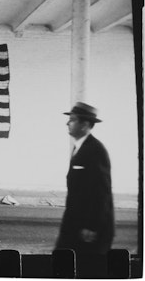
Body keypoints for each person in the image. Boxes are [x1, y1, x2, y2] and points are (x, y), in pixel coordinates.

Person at [55, 102, 114, 255]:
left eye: (72, 119)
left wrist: (92, 226)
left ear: (85, 124)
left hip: (88, 230)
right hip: (76, 223)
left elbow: (102, 192)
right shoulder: (80, 147)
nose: (67, 123)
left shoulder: (96, 150)